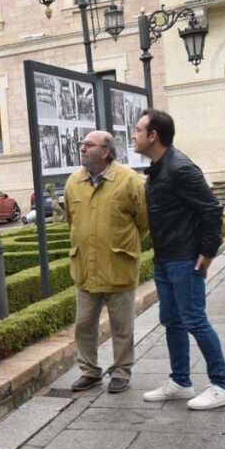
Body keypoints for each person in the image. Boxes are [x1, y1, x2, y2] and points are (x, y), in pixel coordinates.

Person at [134, 109, 225, 410]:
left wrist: (207, 251)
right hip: (166, 258)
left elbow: (211, 209)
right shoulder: (159, 168)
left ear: (153, 136)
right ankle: (180, 382)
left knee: (194, 319)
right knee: (172, 320)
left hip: (184, 258)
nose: (134, 136)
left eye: (139, 130)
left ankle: (222, 385)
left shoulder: (180, 168)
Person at [66, 131, 149, 394]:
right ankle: (89, 372)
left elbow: (144, 222)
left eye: (88, 145)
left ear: (105, 152)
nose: (82, 148)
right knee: (84, 325)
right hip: (85, 267)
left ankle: (121, 371)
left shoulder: (129, 180)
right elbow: (71, 220)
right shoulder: (73, 182)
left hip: (118, 265)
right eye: (82, 144)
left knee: (122, 326)